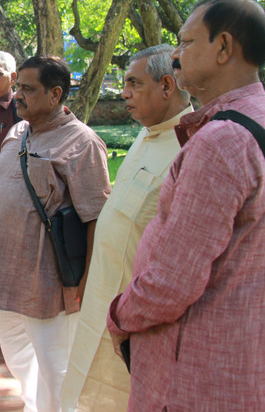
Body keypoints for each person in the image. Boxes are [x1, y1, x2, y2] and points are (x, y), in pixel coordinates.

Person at [107, 0, 265, 411]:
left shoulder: (221, 141)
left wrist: (120, 315)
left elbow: (173, 284)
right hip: (237, 357)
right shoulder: (263, 115)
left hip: (194, 373)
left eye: (187, 42)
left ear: (224, 47)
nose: (176, 56)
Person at [60, 45, 192, 412]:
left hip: (136, 316)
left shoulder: (189, 148)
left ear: (167, 86)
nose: (123, 92)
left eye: (134, 83)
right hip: (102, 299)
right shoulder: (146, 133)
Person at [0, 55, 111, 412]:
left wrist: (87, 281)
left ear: (55, 95)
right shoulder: (16, 132)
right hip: (5, 275)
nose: (17, 94)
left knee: (57, 369)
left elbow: (96, 218)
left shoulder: (82, 142)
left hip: (49, 284)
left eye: (27, 89)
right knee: (18, 358)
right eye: (18, 86)